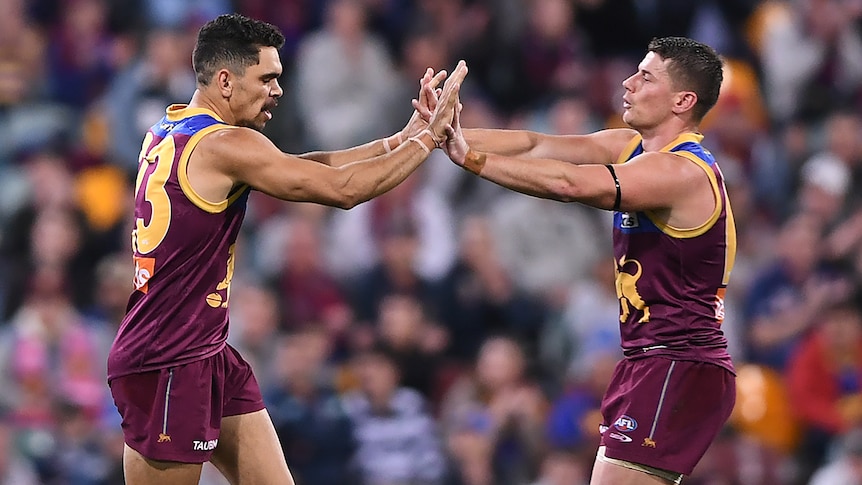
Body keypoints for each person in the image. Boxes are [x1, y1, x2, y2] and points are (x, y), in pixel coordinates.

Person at [106, 13, 467, 485]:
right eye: (267, 78)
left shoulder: (173, 127)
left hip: (204, 348)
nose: (278, 90)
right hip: (168, 358)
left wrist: (398, 139)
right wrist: (427, 140)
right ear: (225, 81)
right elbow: (341, 191)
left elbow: (300, 167)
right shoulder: (227, 145)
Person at [429, 37, 736, 484]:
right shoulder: (630, 146)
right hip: (646, 360)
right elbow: (535, 144)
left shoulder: (682, 171)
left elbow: (572, 184)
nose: (627, 84)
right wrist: (434, 134)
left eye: (646, 77)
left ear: (683, 100)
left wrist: (470, 159)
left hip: (679, 362)